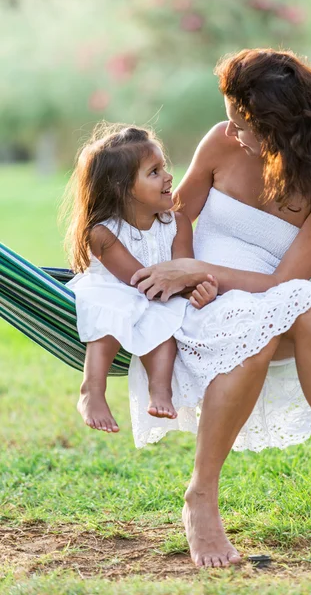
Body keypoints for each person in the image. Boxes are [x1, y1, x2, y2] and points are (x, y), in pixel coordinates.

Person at [129, 49, 311, 567]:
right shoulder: (222, 145)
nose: (231, 131)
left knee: (302, 305)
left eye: (243, 123)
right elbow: (177, 215)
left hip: (264, 299)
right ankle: (201, 496)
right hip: (196, 307)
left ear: (281, 127)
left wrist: (205, 274)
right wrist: (184, 272)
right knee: (290, 314)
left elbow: (282, 282)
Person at [63, 123, 218, 433]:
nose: (168, 176)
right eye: (154, 172)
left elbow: (184, 268)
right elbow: (137, 280)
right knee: (113, 313)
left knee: (167, 322)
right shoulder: (102, 233)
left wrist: (199, 289)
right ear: (122, 189)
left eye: (164, 167)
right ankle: (92, 390)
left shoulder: (177, 223)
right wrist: (178, 287)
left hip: (159, 297)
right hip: (114, 292)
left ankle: (160, 389)